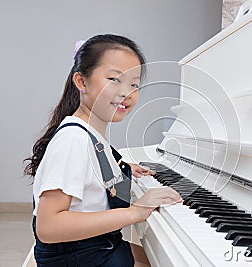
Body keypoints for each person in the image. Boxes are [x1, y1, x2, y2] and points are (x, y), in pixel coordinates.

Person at [23, 34, 181, 266]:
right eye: (114, 79)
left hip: (98, 247)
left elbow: (92, 175)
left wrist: (124, 169)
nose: (126, 92)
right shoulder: (73, 140)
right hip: (81, 257)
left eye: (134, 84)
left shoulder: (88, 133)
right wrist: (135, 212)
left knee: (167, 259)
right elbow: (48, 227)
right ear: (82, 82)